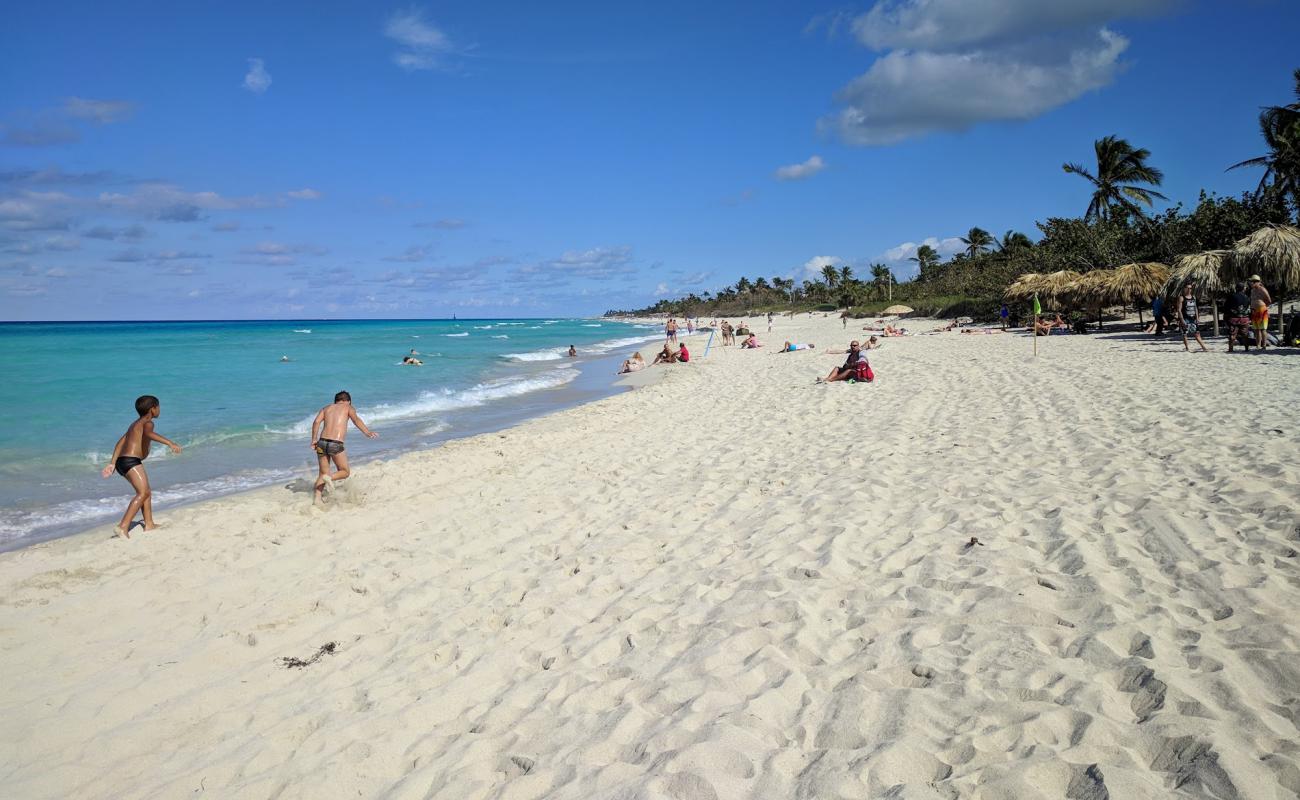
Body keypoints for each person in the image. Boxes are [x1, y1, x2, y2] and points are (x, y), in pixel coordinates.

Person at [101, 394, 183, 538]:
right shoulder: (148, 423)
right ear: (153, 409)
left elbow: (121, 442)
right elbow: (150, 434)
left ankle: (149, 524)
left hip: (122, 461)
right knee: (143, 493)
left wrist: (113, 463)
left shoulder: (134, 424)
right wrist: (170, 443)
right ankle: (123, 526)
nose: (159, 410)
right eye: (158, 407)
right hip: (131, 460)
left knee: (146, 491)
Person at [310, 391, 378, 505]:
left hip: (321, 443)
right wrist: (367, 432)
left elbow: (316, 422)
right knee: (345, 472)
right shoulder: (348, 407)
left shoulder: (326, 408)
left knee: (322, 472)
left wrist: (313, 439)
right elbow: (356, 420)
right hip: (335, 444)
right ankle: (329, 478)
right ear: (348, 401)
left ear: (336, 401)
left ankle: (317, 498)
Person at [1176, 283, 1207, 353]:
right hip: (1185, 318)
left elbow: (1195, 307)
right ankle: (1187, 348)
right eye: (1187, 288)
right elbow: (1179, 310)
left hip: (1193, 318)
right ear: (1184, 289)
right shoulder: (1181, 297)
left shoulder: (1193, 297)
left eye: (1190, 288)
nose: (1189, 290)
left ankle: (1204, 347)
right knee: (1185, 334)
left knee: (1197, 333)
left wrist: (1197, 317)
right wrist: (1182, 320)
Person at [1226, 281, 1252, 353]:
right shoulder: (1247, 297)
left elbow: (1226, 307)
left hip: (1234, 319)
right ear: (1243, 289)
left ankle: (1230, 349)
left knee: (1232, 334)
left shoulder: (1232, 296)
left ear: (1236, 288)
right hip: (1245, 318)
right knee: (1245, 334)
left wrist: (1226, 317)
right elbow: (1249, 308)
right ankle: (1246, 348)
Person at [1249, 275, 1272, 350]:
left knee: (1263, 328)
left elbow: (1269, 300)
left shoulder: (1262, 289)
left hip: (1261, 309)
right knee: (1256, 329)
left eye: (1252, 282)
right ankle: (1258, 345)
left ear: (1256, 282)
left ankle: (1264, 345)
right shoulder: (1252, 290)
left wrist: (1263, 306)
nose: (1251, 283)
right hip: (1254, 310)